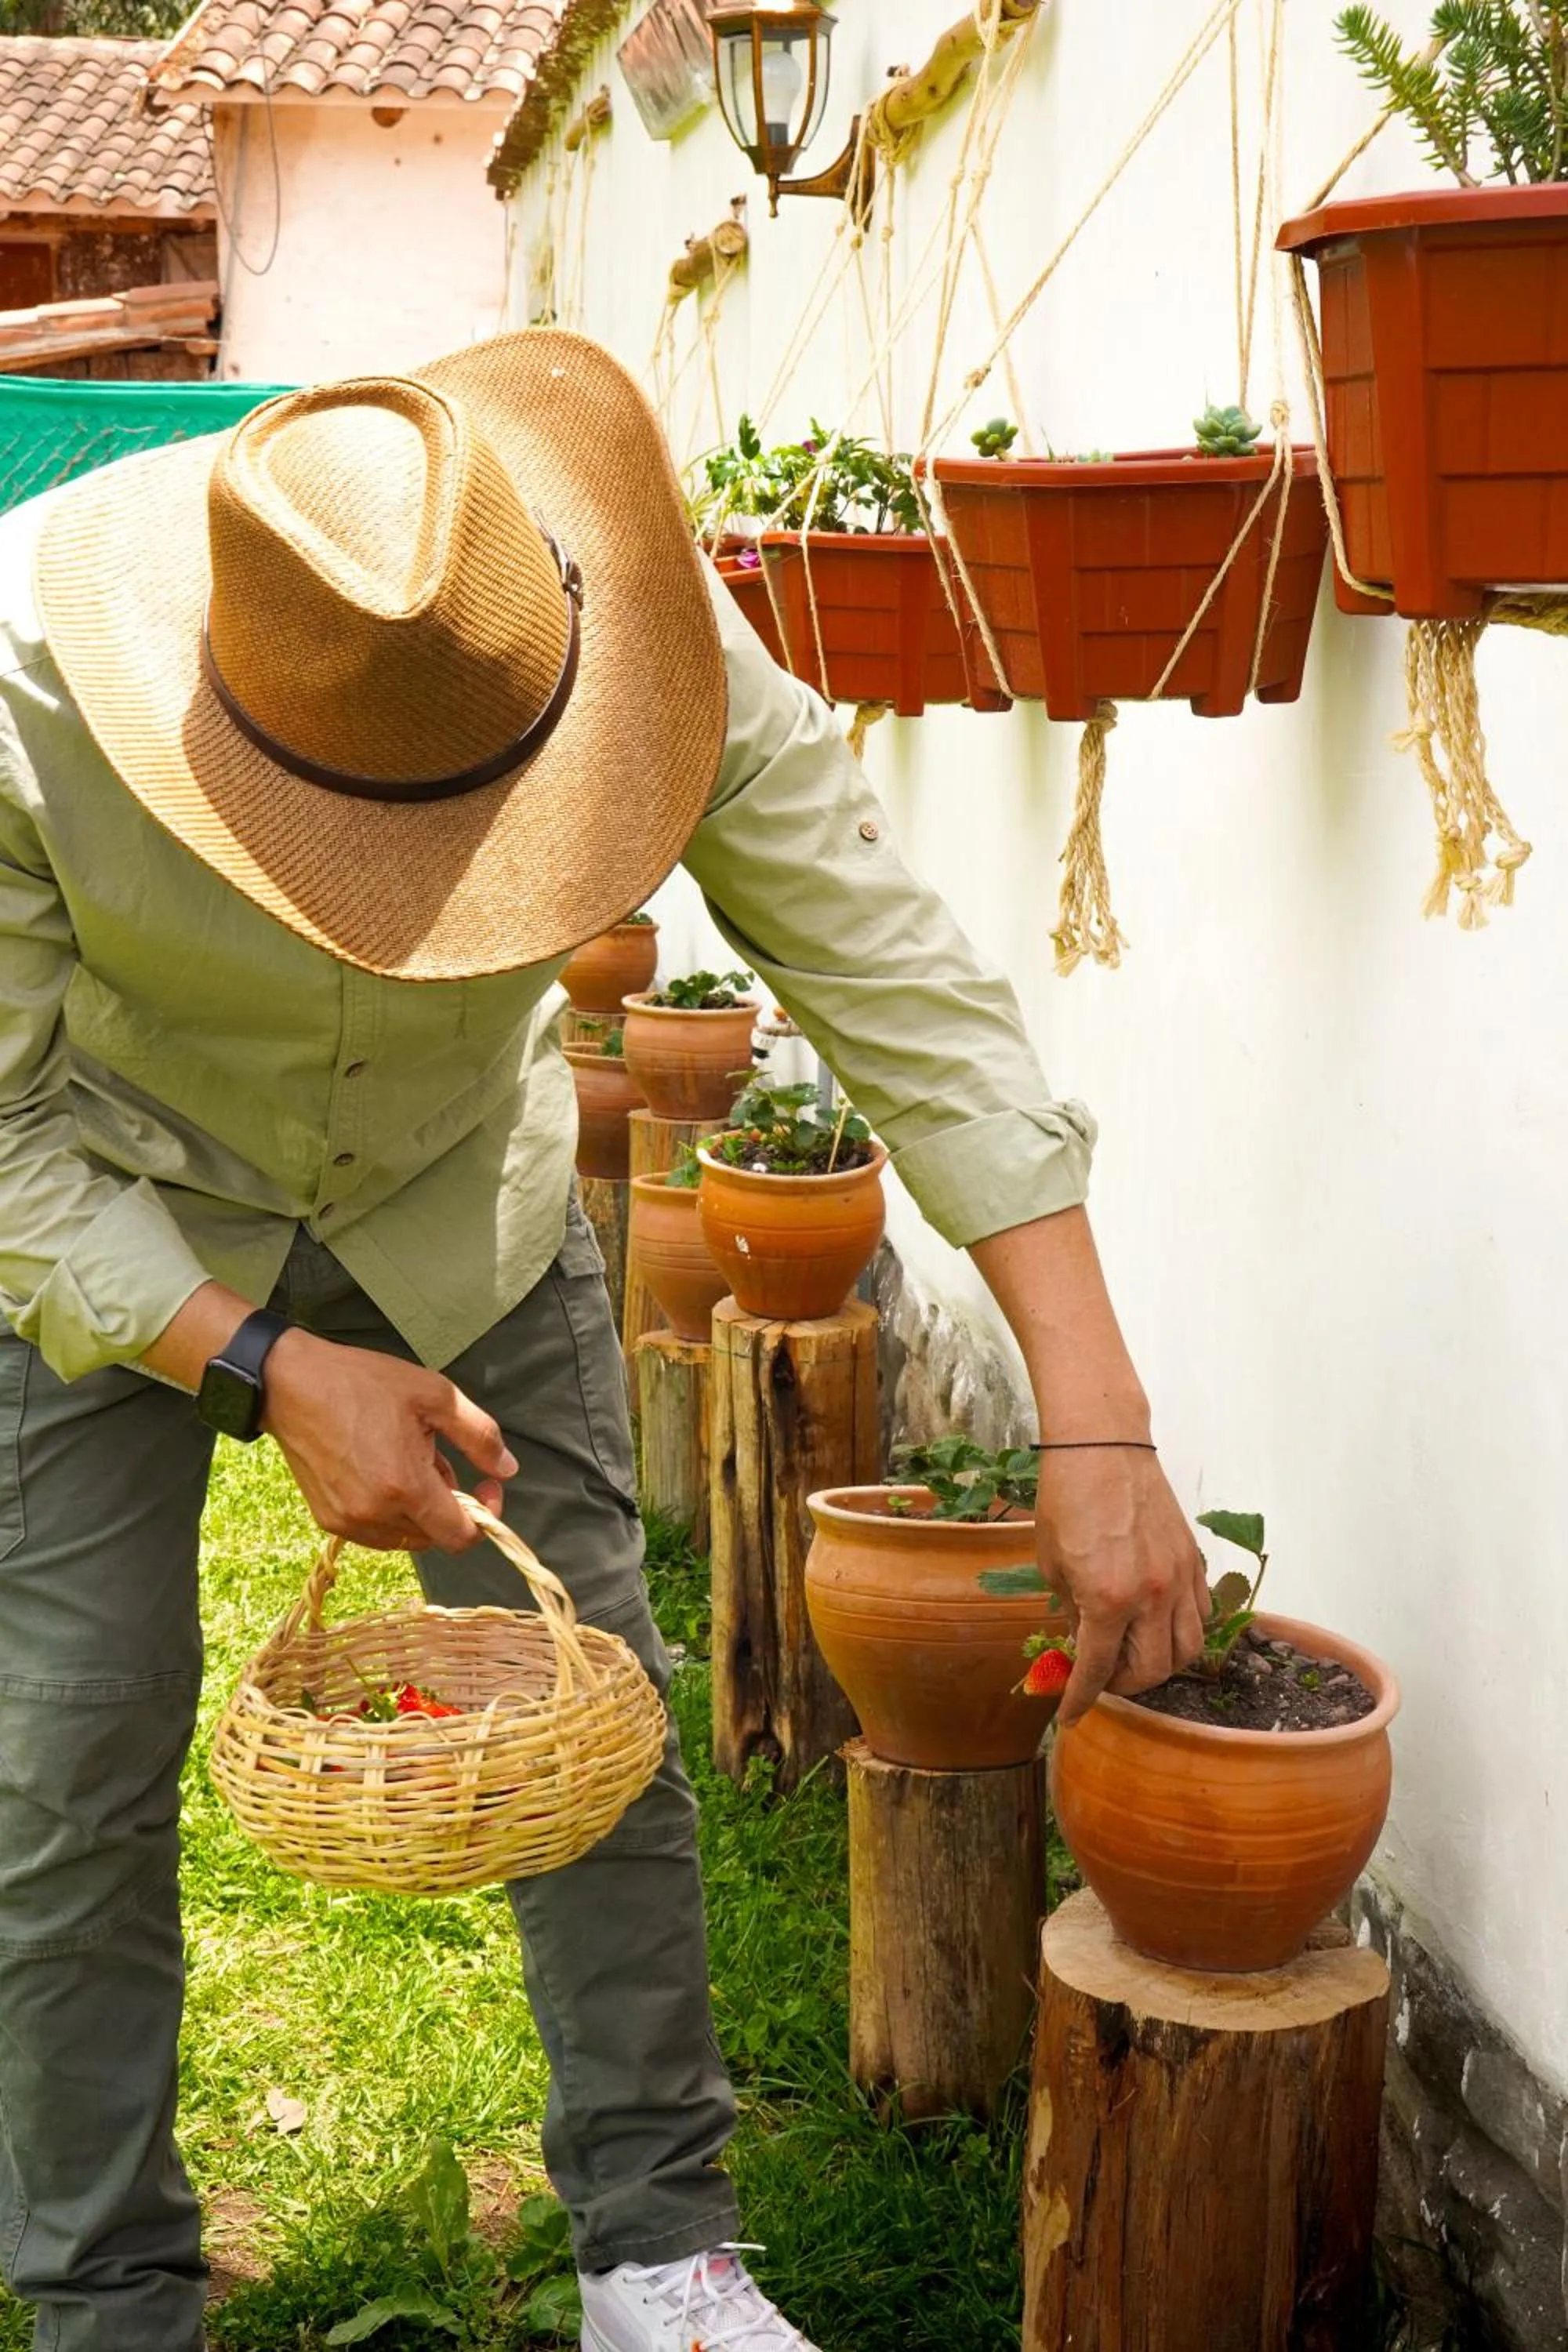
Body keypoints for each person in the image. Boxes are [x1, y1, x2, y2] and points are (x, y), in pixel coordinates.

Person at [0, 334, 1209, 2352]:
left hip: (453, 1189)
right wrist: (261, 1365)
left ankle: (660, 2254)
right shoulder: (20, 684)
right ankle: (108, 2296)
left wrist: (1096, 1421)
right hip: (116, 1199)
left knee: (605, 1717)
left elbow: (889, 971)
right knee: (65, 1756)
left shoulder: (634, 635)